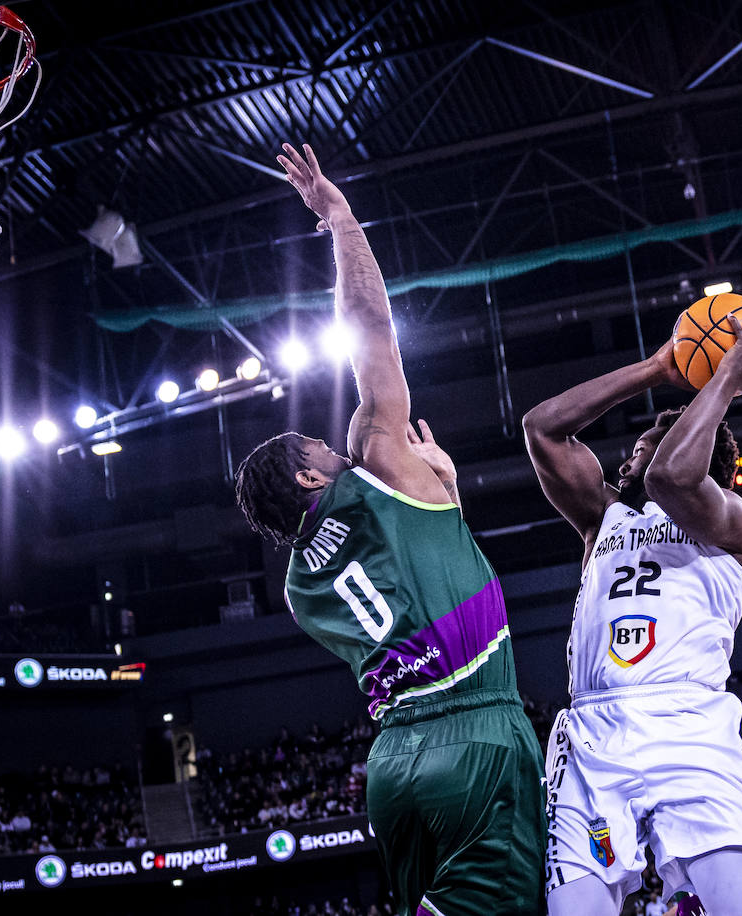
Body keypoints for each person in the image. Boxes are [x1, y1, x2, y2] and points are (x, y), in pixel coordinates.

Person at [235, 144, 545, 915]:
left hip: (394, 767)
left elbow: (414, 573)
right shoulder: (374, 462)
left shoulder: (300, 590)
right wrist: (338, 218)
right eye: (321, 448)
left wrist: (444, 496)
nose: (337, 446)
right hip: (474, 732)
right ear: (312, 477)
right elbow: (369, 324)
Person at [523, 313, 742, 916]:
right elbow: (543, 429)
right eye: (635, 449)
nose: (629, 461)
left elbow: (671, 476)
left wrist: (722, 380)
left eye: (642, 449)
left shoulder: (732, 524)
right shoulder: (603, 519)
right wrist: (658, 369)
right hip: (592, 735)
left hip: (688, 725)